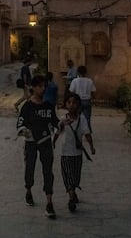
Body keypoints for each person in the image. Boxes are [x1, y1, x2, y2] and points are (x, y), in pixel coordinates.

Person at [16, 75, 60, 219]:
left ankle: (49, 202)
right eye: (40, 86)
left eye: (44, 86)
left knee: (48, 171)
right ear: (33, 88)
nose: (43, 89)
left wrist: (61, 125)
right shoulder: (27, 106)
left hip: (46, 141)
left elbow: (55, 121)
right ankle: (28, 190)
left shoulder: (48, 106)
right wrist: (24, 131)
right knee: (30, 168)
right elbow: (20, 124)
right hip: (31, 143)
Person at [53, 93, 96, 213]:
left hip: (77, 154)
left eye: (74, 102)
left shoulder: (82, 119)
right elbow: (57, 132)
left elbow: (87, 134)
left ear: (78, 105)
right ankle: (71, 196)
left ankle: (73, 192)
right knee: (67, 175)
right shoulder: (63, 119)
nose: (72, 105)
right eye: (69, 102)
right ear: (66, 104)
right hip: (65, 153)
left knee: (76, 176)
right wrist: (53, 142)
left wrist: (92, 147)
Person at [69, 65, 96, 133]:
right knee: (87, 118)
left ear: (78, 72)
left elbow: (71, 91)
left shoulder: (75, 81)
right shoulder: (89, 81)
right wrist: (92, 98)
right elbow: (93, 91)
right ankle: (87, 131)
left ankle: (76, 131)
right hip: (87, 101)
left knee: (76, 117)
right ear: (86, 72)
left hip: (77, 101)